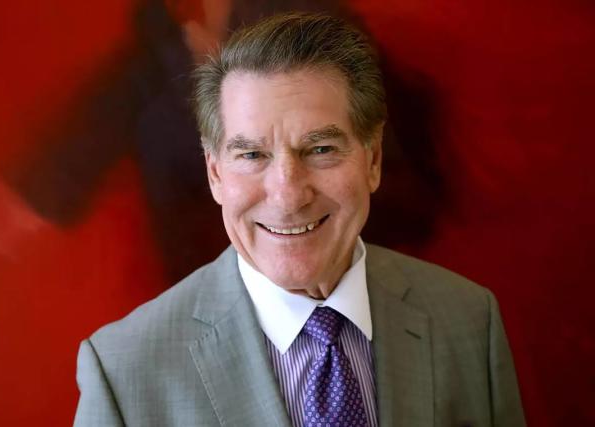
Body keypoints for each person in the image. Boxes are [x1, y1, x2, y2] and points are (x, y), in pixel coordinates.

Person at [73, 12, 526, 427]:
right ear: (215, 173)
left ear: (373, 160)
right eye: (252, 155)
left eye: (321, 150)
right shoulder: (123, 371)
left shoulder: (469, 323)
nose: (288, 194)